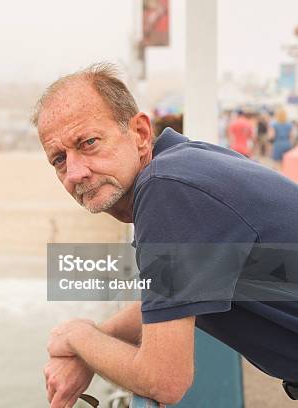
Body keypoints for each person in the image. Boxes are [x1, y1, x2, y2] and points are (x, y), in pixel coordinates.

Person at [32, 63, 298, 406]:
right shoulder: (182, 166)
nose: (75, 173)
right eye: (59, 160)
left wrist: (78, 337)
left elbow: (165, 380)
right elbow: (173, 293)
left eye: (89, 143)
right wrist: (94, 344)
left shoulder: (165, 189)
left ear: (140, 133)